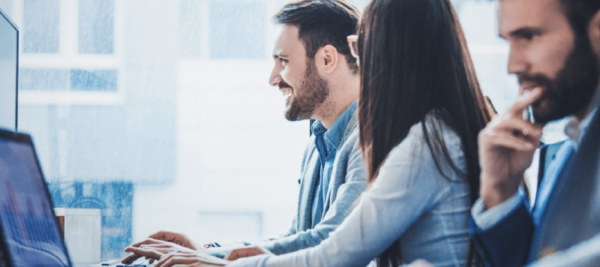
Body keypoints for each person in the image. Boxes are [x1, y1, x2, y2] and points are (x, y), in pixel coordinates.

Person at [125, 0, 493, 266]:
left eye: (361, 46)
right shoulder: (328, 141)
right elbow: (301, 238)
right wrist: (207, 252)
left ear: (392, 56)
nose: (360, 59)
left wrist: (219, 263)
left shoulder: (425, 143)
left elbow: (335, 250)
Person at [121, 0, 368, 264]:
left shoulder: (368, 143)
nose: (273, 78)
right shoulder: (317, 145)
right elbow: (298, 237)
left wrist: (210, 259)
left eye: (283, 61)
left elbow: (328, 244)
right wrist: (204, 252)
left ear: (327, 59)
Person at [469, 0, 600, 266]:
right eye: (508, 42)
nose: (512, 66)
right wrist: (501, 191)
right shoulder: (571, 141)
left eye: (529, 36)